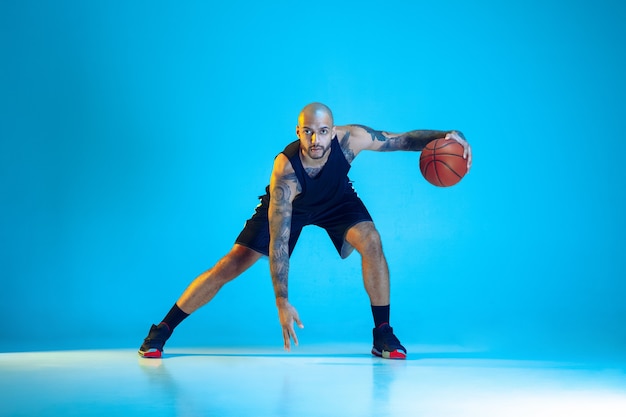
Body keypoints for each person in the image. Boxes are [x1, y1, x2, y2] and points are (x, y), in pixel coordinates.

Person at [139, 102, 472, 360]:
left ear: (333, 129)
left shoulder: (350, 138)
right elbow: (280, 243)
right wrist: (282, 300)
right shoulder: (285, 170)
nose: (316, 139)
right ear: (298, 132)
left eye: (323, 131)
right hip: (291, 207)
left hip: (337, 201)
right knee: (232, 263)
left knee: (372, 241)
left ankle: (383, 333)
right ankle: (162, 329)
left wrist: (449, 136)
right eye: (309, 132)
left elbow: (400, 140)